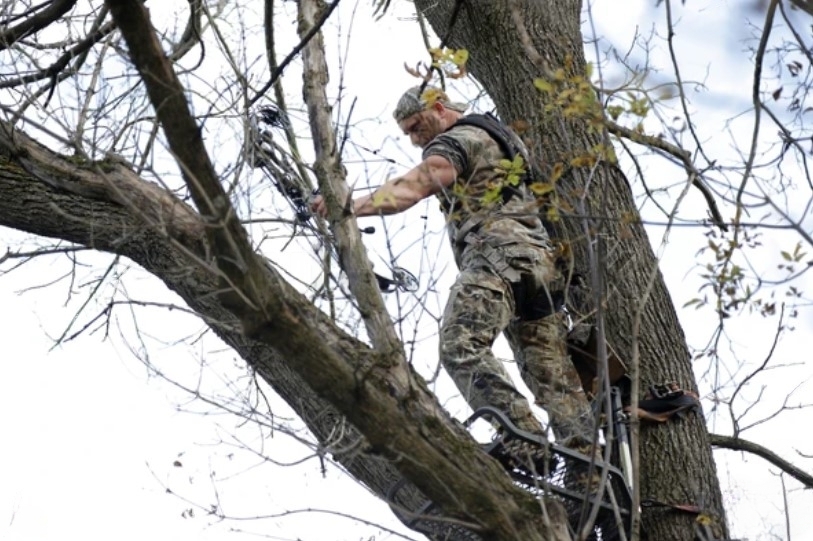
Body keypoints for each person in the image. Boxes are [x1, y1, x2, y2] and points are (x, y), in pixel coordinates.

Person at [311, 86, 595, 452]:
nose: (416, 140)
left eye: (417, 127)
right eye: (409, 134)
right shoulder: (502, 139)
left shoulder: (460, 139)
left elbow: (413, 187)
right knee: (555, 384)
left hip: (501, 260)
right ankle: (589, 475)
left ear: (440, 108)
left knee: (461, 346)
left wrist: (345, 204)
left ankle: (526, 441)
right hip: (542, 272)